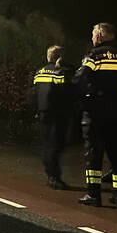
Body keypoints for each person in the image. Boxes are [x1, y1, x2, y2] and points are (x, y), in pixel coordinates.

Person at [73, 22, 117, 207]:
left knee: (94, 153)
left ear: (100, 36)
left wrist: (84, 98)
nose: (92, 38)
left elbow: (79, 79)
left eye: (94, 35)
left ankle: (94, 195)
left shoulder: (94, 56)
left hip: (95, 112)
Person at [32, 45, 72, 189]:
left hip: (43, 114)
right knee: (56, 146)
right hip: (57, 115)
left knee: (47, 146)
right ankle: (54, 177)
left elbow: (33, 94)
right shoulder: (59, 72)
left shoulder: (39, 72)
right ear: (59, 57)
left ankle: (50, 175)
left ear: (48, 56)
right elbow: (66, 92)